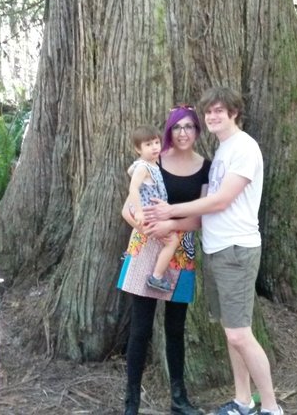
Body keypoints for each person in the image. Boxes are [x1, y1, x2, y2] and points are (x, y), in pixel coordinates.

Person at [144, 87, 283, 415]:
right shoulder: (222, 151)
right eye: (209, 112)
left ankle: (272, 408)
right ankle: (242, 400)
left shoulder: (245, 148)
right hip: (217, 249)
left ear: (234, 112)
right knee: (232, 333)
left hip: (237, 249)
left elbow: (221, 201)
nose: (213, 116)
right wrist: (171, 224)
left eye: (220, 110)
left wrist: (171, 212)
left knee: (239, 334)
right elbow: (209, 213)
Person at [117, 105, 211, 415]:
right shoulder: (153, 163)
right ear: (167, 132)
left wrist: (172, 225)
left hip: (182, 248)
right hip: (147, 246)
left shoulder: (204, 167)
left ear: (197, 131)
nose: (183, 133)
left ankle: (178, 399)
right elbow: (127, 209)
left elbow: (200, 219)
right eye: (177, 127)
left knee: (176, 326)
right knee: (140, 326)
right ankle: (131, 402)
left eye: (189, 127)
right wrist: (146, 228)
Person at [125, 125, 181, 292]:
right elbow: (133, 188)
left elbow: (130, 171)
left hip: (151, 211)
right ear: (138, 149)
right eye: (148, 144)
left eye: (156, 142)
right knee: (173, 241)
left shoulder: (147, 164)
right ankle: (156, 277)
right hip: (148, 212)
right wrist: (140, 212)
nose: (154, 147)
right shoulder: (143, 167)